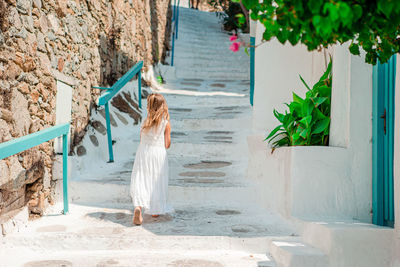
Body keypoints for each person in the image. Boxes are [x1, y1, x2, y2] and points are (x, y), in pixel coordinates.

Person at [130, 93, 172, 225]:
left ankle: (138, 207)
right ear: (162, 106)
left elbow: (142, 139)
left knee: (141, 178)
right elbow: (167, 144)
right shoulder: (166, 124)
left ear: (149, 106)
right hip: (158, 154)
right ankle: (155, 210)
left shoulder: (145, 122)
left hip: (143, 152)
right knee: (155, 181)